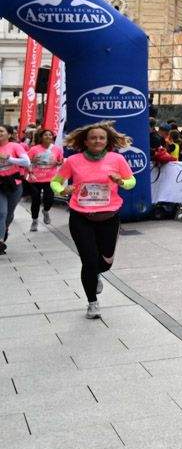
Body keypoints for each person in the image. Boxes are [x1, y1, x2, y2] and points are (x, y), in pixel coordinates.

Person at [51, 123, 136, 319]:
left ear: (107, 141)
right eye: (93, 138)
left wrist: (121, 181)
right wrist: (62, 190)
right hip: (81, 217)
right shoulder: (73, 161)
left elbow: (131, 181)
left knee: (106, 263)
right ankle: (92, 303)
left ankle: (97, 273)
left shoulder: (117, 159)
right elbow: (55, 182)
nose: (97, 141)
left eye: (101, 138)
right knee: (89, 261)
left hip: (108, 217)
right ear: (86, 141)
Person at [25, 128, 63, 232]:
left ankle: (46, 211)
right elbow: (26, 162)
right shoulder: (34, 149)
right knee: (36, 200)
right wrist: (32, 161)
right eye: (45, 135)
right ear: (41, 137)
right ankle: (34, 221)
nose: (48, 136)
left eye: (50, 135)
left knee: (49, 199)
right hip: (35, 179)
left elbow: (61, 161)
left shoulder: (57, 149)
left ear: (52, 137)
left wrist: (59, 163)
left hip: (50, 179)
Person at [0, 125, 31, 252]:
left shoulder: (15, 146)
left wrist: (8, 158)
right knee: (1, 212)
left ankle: (4, 228)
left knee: (9, 213)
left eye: (1, 131)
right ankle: (0, 241)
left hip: (14, 184)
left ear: (9, 134)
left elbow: (26, 162)